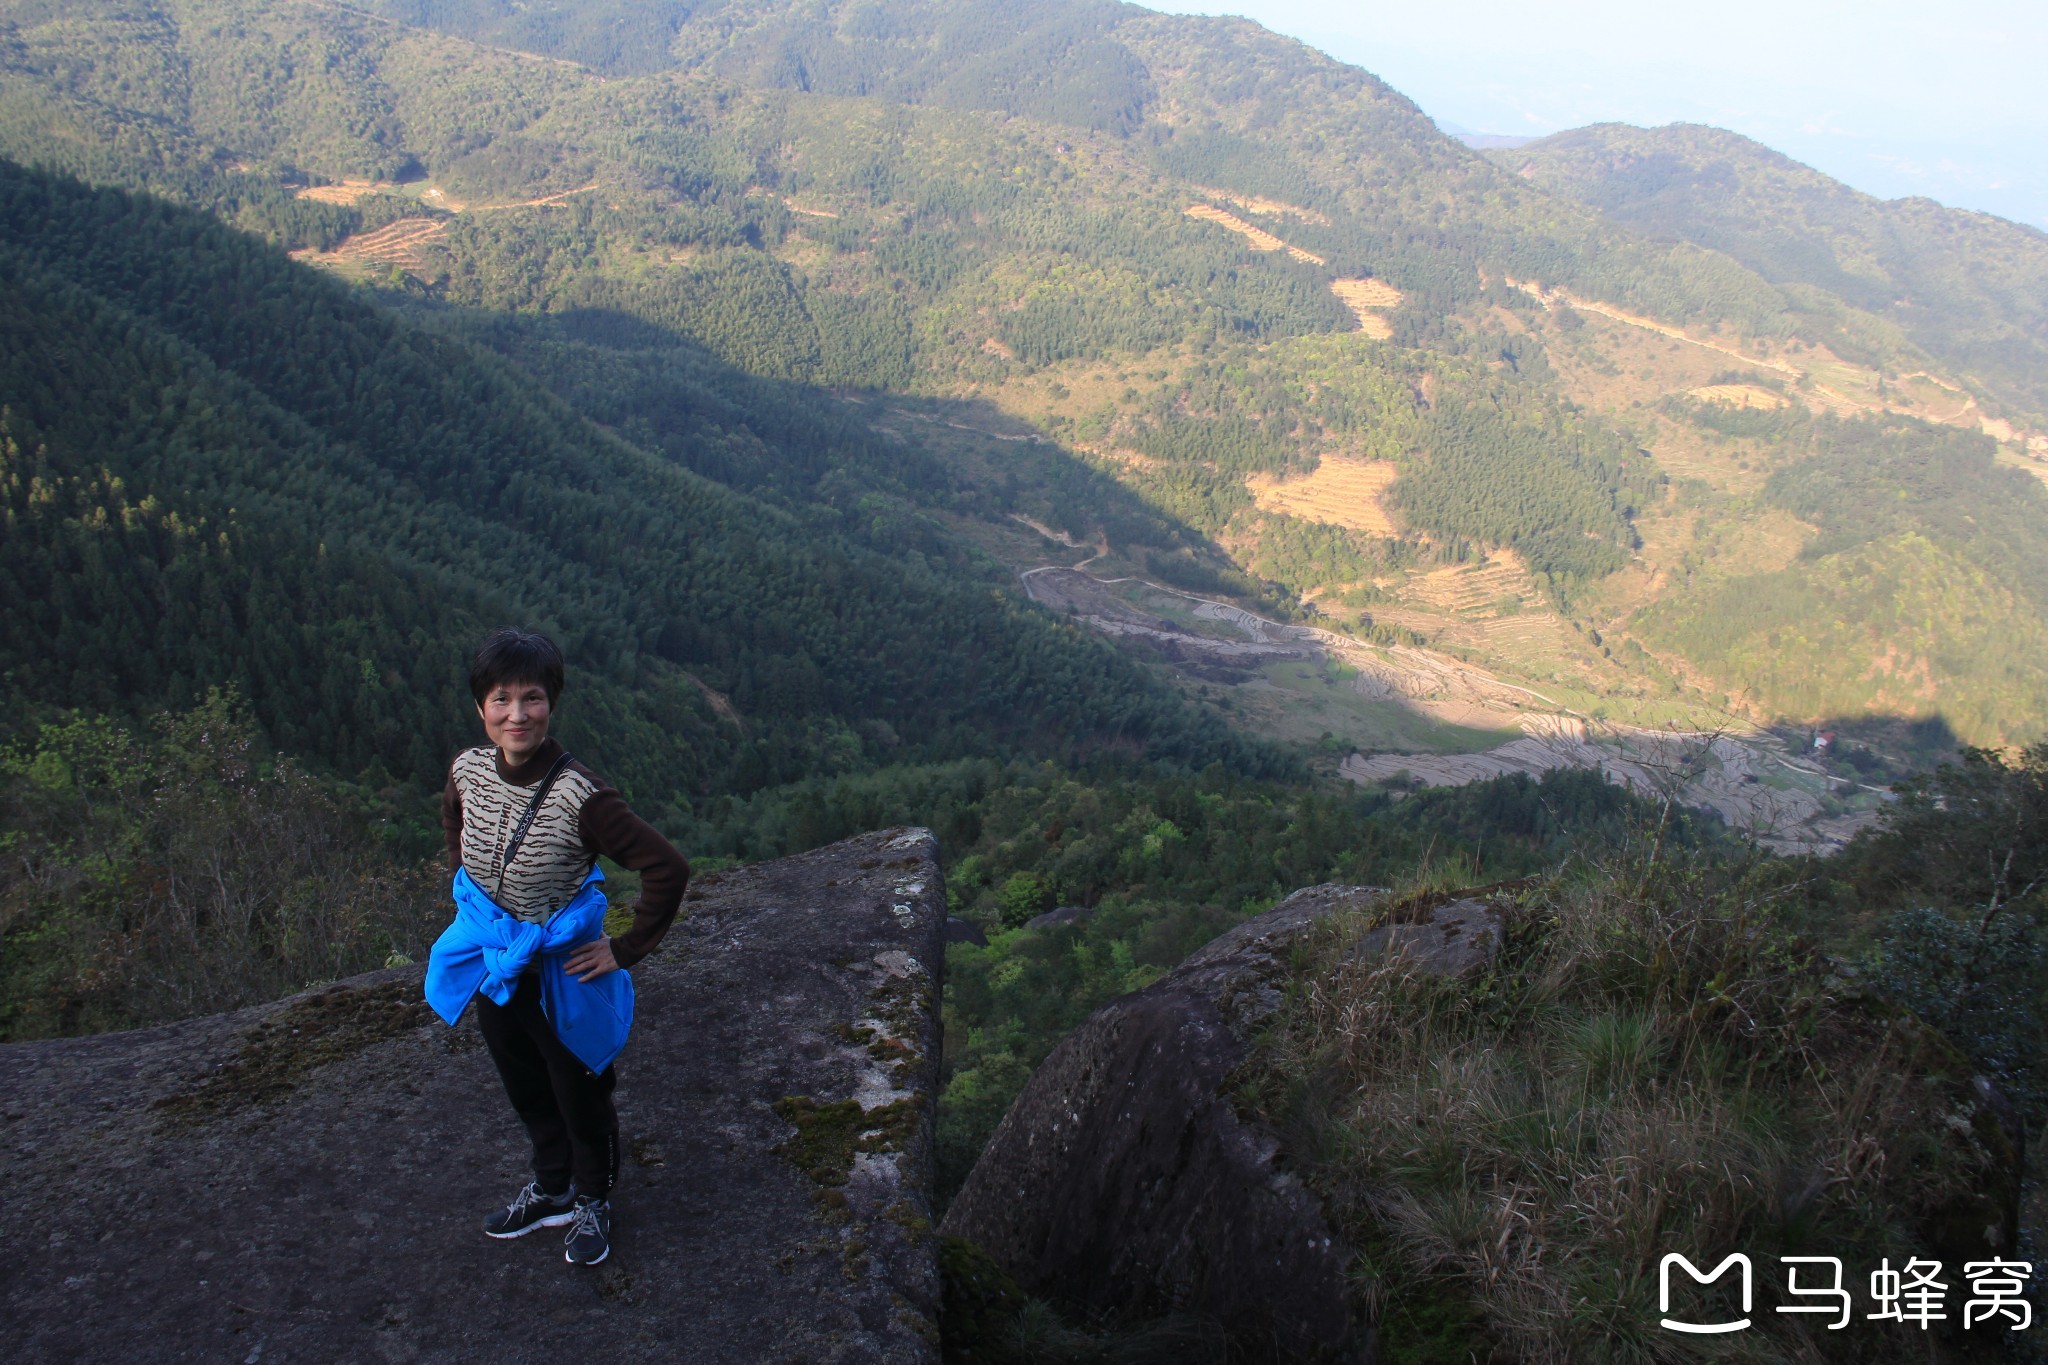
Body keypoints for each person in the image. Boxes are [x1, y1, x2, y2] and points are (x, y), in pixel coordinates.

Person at [424, 628, 689, 1267]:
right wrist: (471, 887)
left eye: (533, 698)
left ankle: (594, 1197)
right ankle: (552, 1187)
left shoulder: (583, 796)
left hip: (561, 967)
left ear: (553, 704)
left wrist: (625, 950)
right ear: (481, 707)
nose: (517, 715)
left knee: (579, 1086)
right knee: (524, 1081)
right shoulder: (467, 767)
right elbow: (455, 817)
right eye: (502, 699)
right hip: (498, 959)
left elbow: (667, 867)